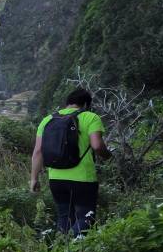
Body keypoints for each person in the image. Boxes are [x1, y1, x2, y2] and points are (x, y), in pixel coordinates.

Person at [30, 88, 111, 237]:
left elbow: (37, 152)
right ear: (86, 104)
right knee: (85, 217)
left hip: (56, 179)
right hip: (83, 179)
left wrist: (34, 178)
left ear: (67, 103)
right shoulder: (90, 117)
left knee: (64, 218)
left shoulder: (47, 120)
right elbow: (97, 145)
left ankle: (62, 251)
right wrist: (108, 155)